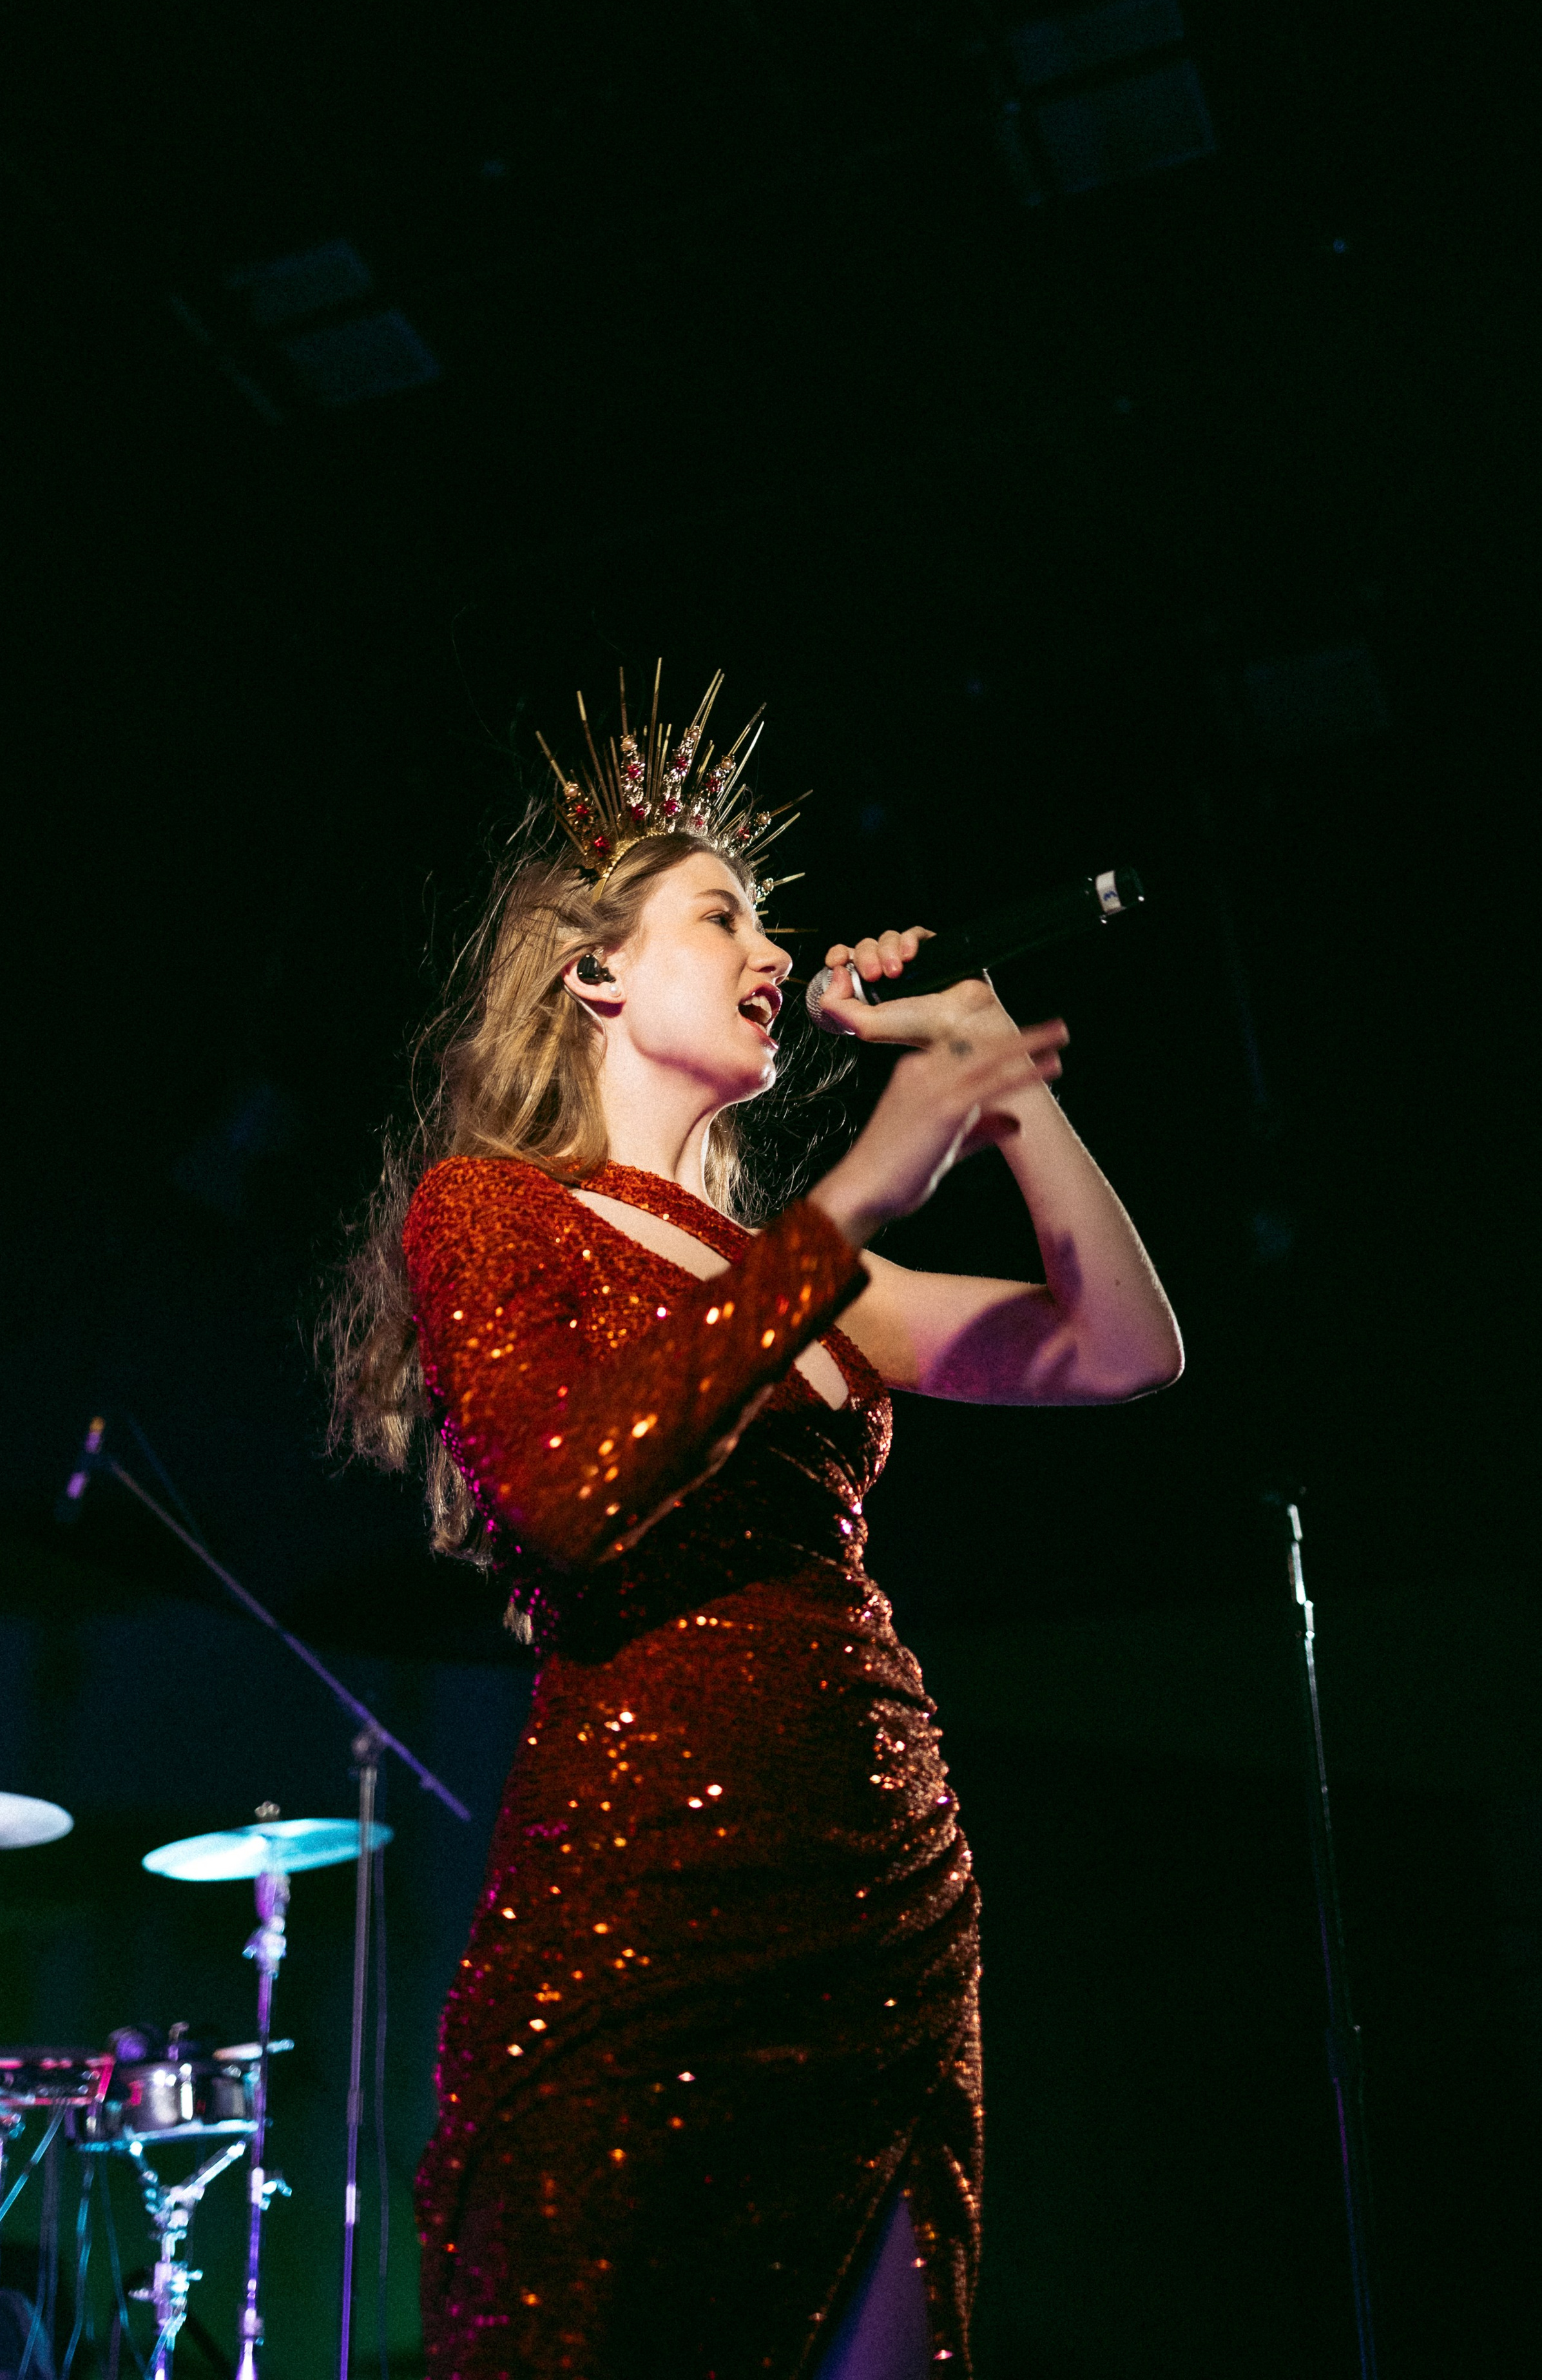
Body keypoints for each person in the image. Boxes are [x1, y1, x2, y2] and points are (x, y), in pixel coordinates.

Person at [325, 669, 1182, 2380]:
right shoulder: (494, 1210)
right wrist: (870, 1182)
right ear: (595, 971)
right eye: (723, 915)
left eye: (771, 921)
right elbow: (570, 1486)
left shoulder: (811, 1280)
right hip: (655, 1909)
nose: (773, 950)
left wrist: (991, 1078)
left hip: (887, 1894)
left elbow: (1124, 1350)